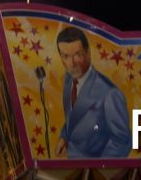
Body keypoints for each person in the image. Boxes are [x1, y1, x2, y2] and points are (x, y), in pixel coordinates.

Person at [53, 24, 130, 159]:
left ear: (88, 53)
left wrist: (98, 168)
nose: (71, 63)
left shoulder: (109, 93)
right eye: (65, 56)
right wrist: (64, 137)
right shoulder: (68, 80)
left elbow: (122, 141)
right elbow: (74, 118)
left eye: (77, 55)